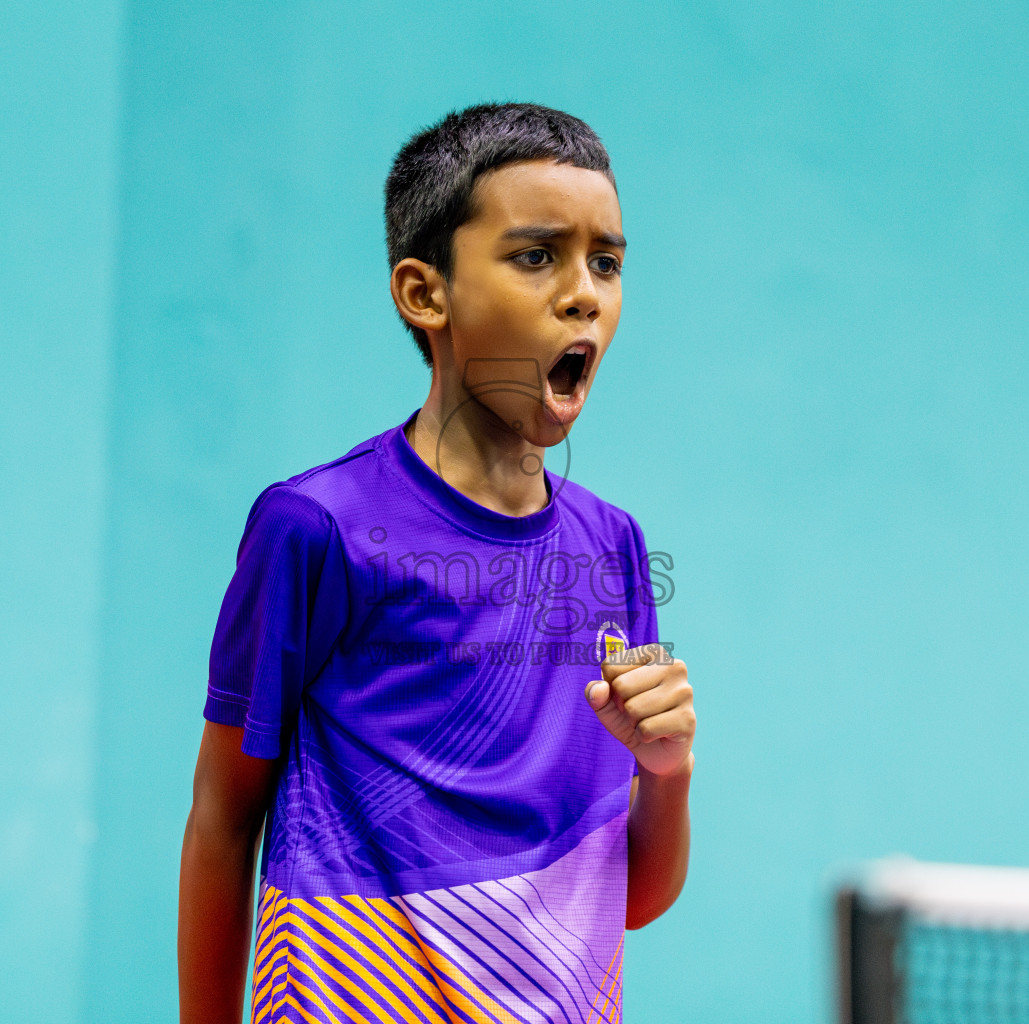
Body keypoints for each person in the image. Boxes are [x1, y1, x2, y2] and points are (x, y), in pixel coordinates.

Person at [178, 102, 696, 1024]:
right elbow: (223, 820)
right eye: (536, 256)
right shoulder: (315, 528)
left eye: (606, 262)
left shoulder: (613, 549)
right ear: (426, 293)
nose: (584, 293)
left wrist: (667, 773)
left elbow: (634, 900)